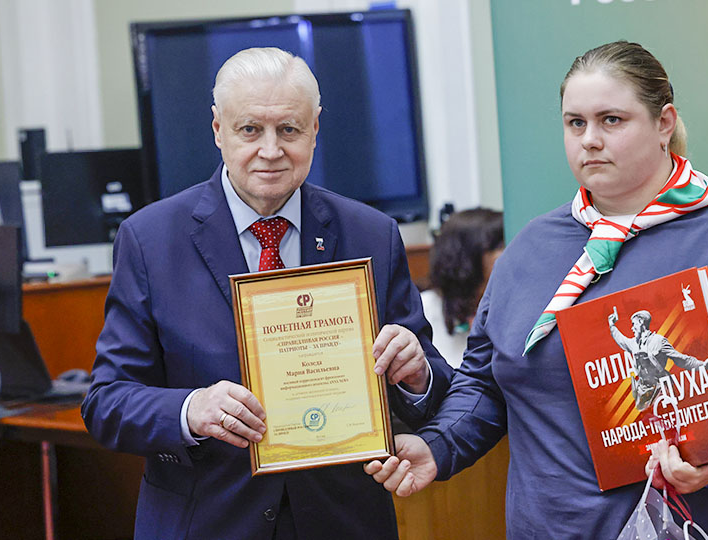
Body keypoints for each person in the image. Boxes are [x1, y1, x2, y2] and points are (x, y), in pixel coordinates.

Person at [364, 41, 708, 539]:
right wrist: (438, 445)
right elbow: (486, 384)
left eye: (611, 120)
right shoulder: (529, 250)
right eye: (575, 123)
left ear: (664, 124)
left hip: (694, 522)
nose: (590, 140)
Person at [81, 47, 453, 540]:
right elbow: (106, 403)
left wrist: (417, 375)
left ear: (315, 128)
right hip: (207, 523)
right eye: (250, 129)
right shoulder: (150, 240)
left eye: (289, 129)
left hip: (343, 523)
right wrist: (191, 409)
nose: (271, 150)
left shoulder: (372, 234)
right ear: (218, 129)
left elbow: (434, 388)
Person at [420, 208, 504, 368]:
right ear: (467, 257)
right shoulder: (425, 309)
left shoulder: (510, 305)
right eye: (498, 246)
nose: (507, 253)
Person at [607, 307, 708, 410]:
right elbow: (621, 339)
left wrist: (703, 365)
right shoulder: (634, 344)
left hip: (661, 390)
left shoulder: (659, 341)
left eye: (633, 324)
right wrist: (612, 325)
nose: (631, 328)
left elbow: (681, 360)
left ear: (641, 322)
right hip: (643, 392)